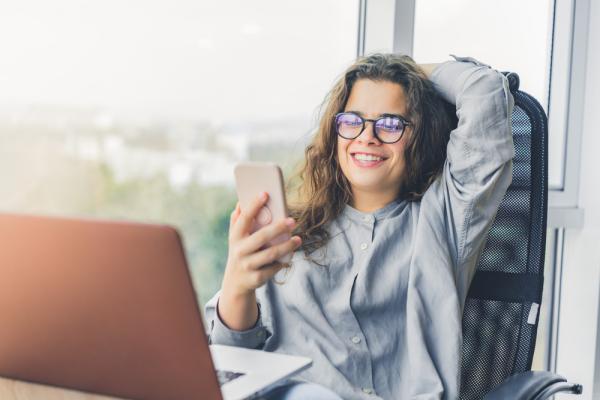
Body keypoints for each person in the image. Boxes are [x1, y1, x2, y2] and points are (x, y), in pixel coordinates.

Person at [205, 54, 514, 400]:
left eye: (391, 124)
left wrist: (408, 68)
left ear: (420, 137)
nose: (367, 137)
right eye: (353, 121)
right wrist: (237, 287)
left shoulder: (442, 221)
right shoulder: (290, 230)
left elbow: (485, 93)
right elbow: (231, 361)